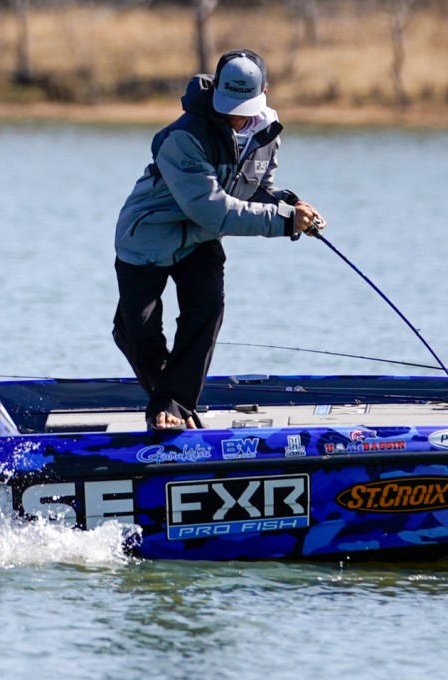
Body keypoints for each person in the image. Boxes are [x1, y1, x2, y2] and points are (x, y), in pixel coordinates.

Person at [112, 49, 325, 433]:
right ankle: (154, 374)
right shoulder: (184, 137)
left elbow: (256, 189)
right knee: (141, 334)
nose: (236, 115)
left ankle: (173, 404)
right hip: (147, 238)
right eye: (229, 106)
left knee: (207, 310)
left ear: (264, 92)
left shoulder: (267, 131)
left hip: (199, 240)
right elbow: (210, 209)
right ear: (216, 92)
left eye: (244, 107)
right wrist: (283, 223)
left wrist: (290, 205)